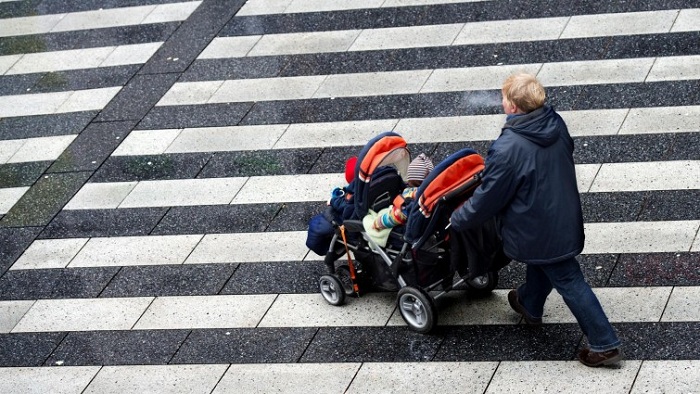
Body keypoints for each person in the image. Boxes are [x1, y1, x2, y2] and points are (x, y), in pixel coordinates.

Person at [449, 73, 622, 367]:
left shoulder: (508, 148)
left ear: (514, 107)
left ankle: (604, 343)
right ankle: (529, 303)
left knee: (567, 277)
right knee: (547, 262)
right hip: (562, 214)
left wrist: (459, 218)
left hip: (536, 226)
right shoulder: (554, 123)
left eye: (504, 97)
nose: (501, 101)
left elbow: (489, 197)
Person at [373, 153, 434, 230]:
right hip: (426, 223)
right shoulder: (431, 193)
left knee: (367, 220)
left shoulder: (410, 197)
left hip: (406, 229)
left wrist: (377, 223)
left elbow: (396, 217)